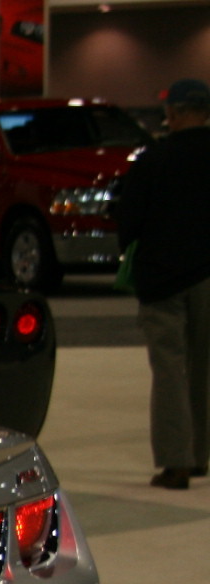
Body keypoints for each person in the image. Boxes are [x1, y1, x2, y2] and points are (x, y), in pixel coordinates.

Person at [117, 77, 210, 490]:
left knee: (170, 368)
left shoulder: (155, 159)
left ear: (172, 112)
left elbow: (129, 219)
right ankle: (200, 455)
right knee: (203, 367)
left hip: (163, 278)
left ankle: (176, 463)